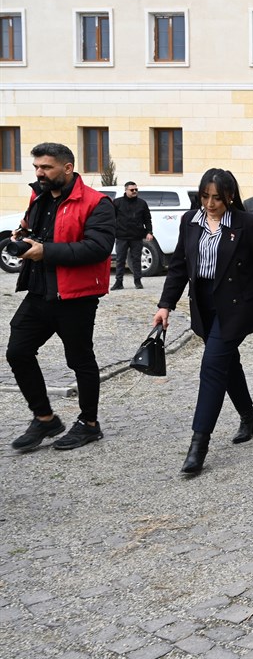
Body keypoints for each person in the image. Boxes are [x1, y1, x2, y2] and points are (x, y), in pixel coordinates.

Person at [153, 168, 253, 474]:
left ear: (229, 196)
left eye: (217, 197)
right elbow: (178, 267)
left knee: (212, 366)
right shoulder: (191, 221)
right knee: (227, 363)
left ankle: (199, 443)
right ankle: (249, 415)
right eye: (205, 196)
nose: (210, 203)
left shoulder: (245, 223)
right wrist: (165, 305)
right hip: (203, 303)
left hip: (236, 305)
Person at [7, 143, 115, 453]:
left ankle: (90, 424)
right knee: (17, 351)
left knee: (80, 360)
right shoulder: (38, 195)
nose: (40, 173)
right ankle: (45, 418)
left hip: (77, 296)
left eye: (46, 167)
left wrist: (46, 251)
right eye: (37, 167)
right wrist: (21, 234)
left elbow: (98, 247)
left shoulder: (97, 202)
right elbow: (31, 226)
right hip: (40, 291)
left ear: (67, 168)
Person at [111, 181, 153, 290]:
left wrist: (149, 232)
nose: (134, 191)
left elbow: (147, 219)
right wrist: (111, 231)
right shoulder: (117, 202)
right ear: (126, 190)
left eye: (136, 189)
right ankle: (118, 282)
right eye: (132, 190)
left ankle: (138, 281)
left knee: (136, 259)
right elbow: (111, 218)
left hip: (136, 236)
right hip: (121, 236)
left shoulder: (142, 203)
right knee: (120, 260)